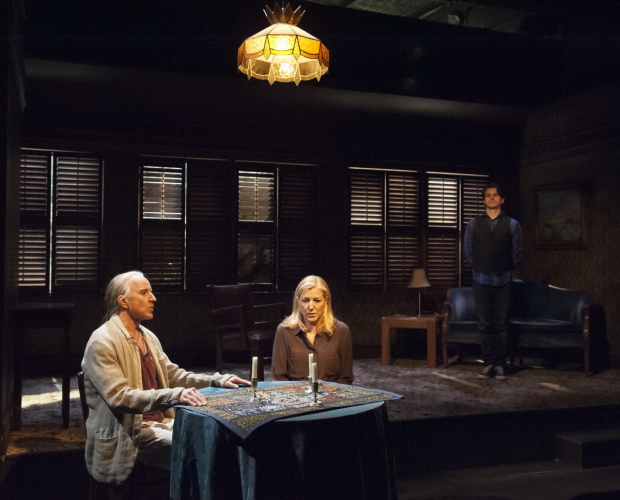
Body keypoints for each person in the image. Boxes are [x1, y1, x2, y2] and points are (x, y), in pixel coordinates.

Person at [81, 271, 249, 485]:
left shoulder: (147, 336)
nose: (153, 298)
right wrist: (175, 395)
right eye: (144, 292)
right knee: (199, 449)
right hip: (129, 433)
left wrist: (216, 381)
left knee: (219, 438)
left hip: (161, 422)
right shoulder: (102, 341)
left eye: (151, 292)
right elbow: (120, 397)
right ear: (123, 301)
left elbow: (174, 376)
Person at [464, 183, 523, 381]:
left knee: (501, 325)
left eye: (495, 195)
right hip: (480, 279)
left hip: (503, 280)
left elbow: (517, 252)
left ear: (502, 199)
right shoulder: (473, 224)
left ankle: (500, 365)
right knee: (484, 324)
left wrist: (503, 267)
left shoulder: (512, 224)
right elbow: (468, 251)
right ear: (484, 200)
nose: (491, 198)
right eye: (488, 195)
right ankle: (488, 363)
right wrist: (481, 266)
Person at [271, 275, 354, 384]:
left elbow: (345, 378)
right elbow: (278, 379)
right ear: (297, 301)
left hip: (331, 394)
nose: (311, 307)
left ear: (325, 301)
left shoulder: (341, 331)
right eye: (305, 301)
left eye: (317, 300)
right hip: (295, 393)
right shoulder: (284, 331)